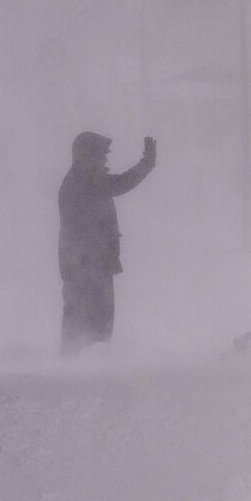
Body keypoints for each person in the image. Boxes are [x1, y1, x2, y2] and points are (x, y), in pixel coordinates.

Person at [58, 131, 156, 353]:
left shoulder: (83, 180)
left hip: (90, 262)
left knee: (91, 317)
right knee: (89, 317)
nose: (104, 161)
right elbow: (120, 184)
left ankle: (81, 362)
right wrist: (146, 164)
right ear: (86, 156)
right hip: (86, 264)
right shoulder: (84, 182)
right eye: (100, 156)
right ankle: (77, 366)